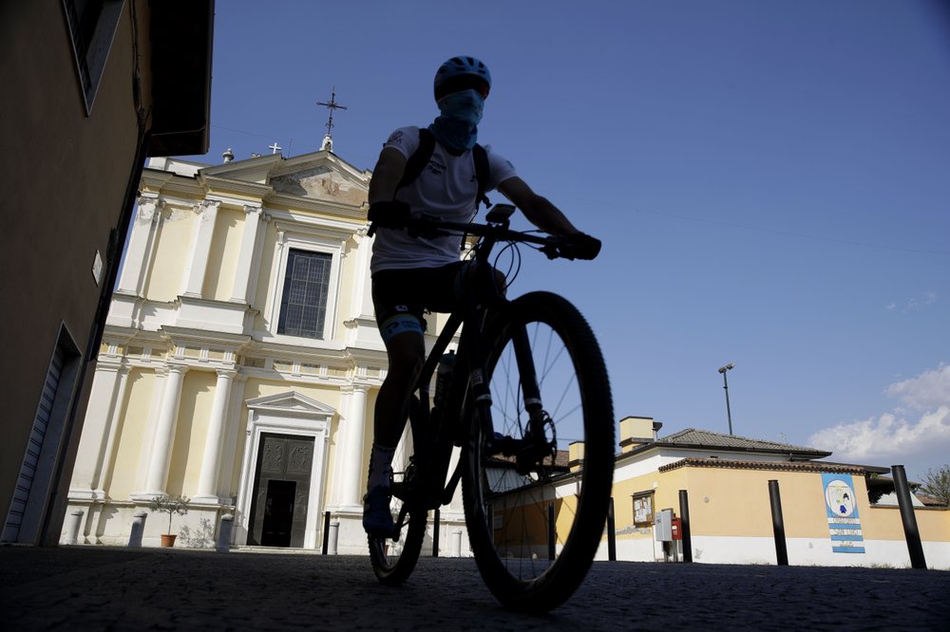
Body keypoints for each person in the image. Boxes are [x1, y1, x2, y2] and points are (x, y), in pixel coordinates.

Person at [363, 55, 600, 536]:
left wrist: (570, 234)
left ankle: (466, 377)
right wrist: (383, 204)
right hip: (397, 274)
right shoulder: (412, 138)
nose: (471, 98)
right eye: (461, 89)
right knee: (407, 360)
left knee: (491, 281)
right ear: (443, 98)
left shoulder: (484, 159)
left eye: (479, 91)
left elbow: (530, 201)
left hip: (443, 270)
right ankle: (378, 481)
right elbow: (387, 168)